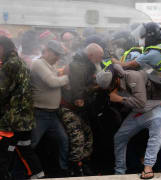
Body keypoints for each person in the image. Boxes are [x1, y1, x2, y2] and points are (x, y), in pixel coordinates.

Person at [96, 64, 161, 179]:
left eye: (110, 87)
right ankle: (120, 171)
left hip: (157, 106)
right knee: (119, 137)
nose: (110, 91)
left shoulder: (133, 76)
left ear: (115, 79)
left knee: (155, 132)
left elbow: (141, 102)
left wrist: (119, 99)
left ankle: (148, 167)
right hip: (138, 111)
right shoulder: (114, 81)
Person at [0, 36, 44, 179]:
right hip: (25, 118)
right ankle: (39, 175)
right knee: (25, 149)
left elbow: (2, 91)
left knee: (4, 155)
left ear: (2, 48)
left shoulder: (9, 65)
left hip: (11, 120)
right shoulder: (20, 62)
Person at [60, 43, 104, 176]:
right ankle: (74, 168)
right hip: (69, 108)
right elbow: (77, 90)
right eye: (99, 57)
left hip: (77, 108)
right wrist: (94, 88)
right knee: (77, 138)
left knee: (88, 135)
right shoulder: (78, 66)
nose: (101, 60)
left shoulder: (87, 64)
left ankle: (83, 163)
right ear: (91, 55)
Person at [30, 40, 70, 175]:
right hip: (40, 113)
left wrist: (61, 76)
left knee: (63, 140)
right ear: (47, 51)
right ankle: (23, 171)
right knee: (30, 145)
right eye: (56, 54)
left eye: (59, 55)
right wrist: (67, 78)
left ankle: (63, 169)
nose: (58, 58)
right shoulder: (38, 63)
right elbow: (52, 82)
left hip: (51, 114)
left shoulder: (50, 65)